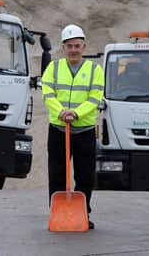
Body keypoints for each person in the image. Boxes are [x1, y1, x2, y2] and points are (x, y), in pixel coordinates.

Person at [42, 24, 104, 230]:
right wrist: (61, 111)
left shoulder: (95, 70)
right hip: (58, 129)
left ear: (84, 46)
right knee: (57, 173)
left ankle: (83, 213)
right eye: (70, 46)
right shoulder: (54, 67)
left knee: (85, 174)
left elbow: (95, 97)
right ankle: (57, 213)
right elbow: (47, 93)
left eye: (77, 45)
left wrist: (76, 113)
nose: (74, 49)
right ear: (63, 47)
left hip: (84, 130)